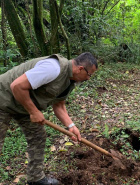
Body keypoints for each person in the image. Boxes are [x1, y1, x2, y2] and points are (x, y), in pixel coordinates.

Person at [0, 52, 98, 185]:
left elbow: (59, 105)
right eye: (89, 75)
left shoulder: (70, 81)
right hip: (3, 97)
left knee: (38, 136)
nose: (88, 78)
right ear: (81, 69)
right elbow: (16, 86)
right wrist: (34, 111)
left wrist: (71, 126)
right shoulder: (53, 68)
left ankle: (36, 178)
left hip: (23, 104)